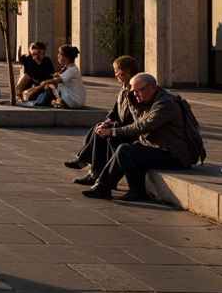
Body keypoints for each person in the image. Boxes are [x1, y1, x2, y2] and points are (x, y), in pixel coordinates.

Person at [82, 73, 195, 202]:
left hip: (175, 155)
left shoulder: (165, 103)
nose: (135, 95)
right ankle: (131, 188)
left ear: (152, 87)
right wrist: (111, 127)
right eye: (133, 92)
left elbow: (143, 126)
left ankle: (105, 187)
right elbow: (136, 123)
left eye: (138, 91)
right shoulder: (150, 100)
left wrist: (113, 131)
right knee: (123, 145)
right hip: (159, 147)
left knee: (126, 149)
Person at [67, 55, 141, 185]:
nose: (116, 76)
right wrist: (107, 121)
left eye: (119, 73)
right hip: (124, 127)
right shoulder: (124, 89)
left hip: (132, 133)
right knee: (99, 128)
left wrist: (113, 126)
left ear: (128, 73)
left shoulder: (137, 90)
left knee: (101, 133)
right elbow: (115, 110)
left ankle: (93, 171)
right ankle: (90, 167)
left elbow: (137, 119)